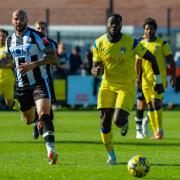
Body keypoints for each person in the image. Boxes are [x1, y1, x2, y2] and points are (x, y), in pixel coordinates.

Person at [91, 13, 164, 165]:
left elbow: (151, 57)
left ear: (121, 26)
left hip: (126, 85)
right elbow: (96, 66)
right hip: (107, 84)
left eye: (116, 24)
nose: (113, 26)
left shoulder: (131, 43)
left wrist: (159, 80)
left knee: (117, 120)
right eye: (111, 23)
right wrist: (95, 71)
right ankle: (111, 155)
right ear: (107, 25)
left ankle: (124, 123)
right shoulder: (98, 43)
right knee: (104, 121)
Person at [0, 10, 58, 164]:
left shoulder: (36, 36)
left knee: (45, 113)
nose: (19, 22)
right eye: (16, 19)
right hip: (22, 85)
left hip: (40, 81)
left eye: (22, 19)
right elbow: (10, 60)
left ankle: (51, 150)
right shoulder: (9, 40)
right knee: (27, 120)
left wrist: (35, 64)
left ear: (27, 20)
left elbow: (52, 56)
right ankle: (35, 122)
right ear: (12, 21)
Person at [135, 18, 176, 139]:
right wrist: (138, 79)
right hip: (145, 81)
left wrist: (173, 76)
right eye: (147, 29)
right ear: (144, 30)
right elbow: (138, 63)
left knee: (155, 102)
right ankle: (156, 132)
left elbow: (171, 61)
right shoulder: (140, 44)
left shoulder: (162, 44)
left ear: (155, 30)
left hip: (159, 80)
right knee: (150, 106)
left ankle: (160, 130)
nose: (149, 31)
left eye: (151, 28)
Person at [32, 21, 57, 140]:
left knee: (48, 109)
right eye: (38, 28)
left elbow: (55, 60)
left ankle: (43, 125)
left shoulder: (51, 43)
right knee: (35, 104)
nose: (40, 30)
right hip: (32, 78)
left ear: (46, 30)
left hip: (46, 77)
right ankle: (36, 124)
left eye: (42, 28)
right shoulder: (30, 42)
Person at [0, 29, 18, 110]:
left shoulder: (9, 49)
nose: (1, 38)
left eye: (3, 36)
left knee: (9, 103)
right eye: (0, 36)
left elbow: (13, 63)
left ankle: (21, 106)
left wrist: (4, 65)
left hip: (7, 79)